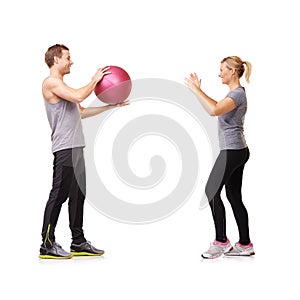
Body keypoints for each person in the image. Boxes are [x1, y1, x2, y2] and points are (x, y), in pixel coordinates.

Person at [40, 44, 129, 259]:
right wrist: (96, 80)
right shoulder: (51, 83)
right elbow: (80, 96)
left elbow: (81, 111)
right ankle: (46, 244)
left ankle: (78, 242)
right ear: (56, 60)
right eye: (68, 57)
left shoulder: (64, 87)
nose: (71, 61)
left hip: (77, 146)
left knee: (78, 195)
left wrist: (110, 106)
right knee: (59, 195)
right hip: (65, 148)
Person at [184, 56, 255, 259]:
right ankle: (245, 244)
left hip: (232, 151)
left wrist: (196, 90)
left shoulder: (238, 94)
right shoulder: (234, 95)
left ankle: (221, 241)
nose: (219, 73)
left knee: (211, 191)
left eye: (222, 69)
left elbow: (215, 109)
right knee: (233, 196)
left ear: (233, 71)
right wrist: (196, 92)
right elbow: (212, 110)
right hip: (237, 150)